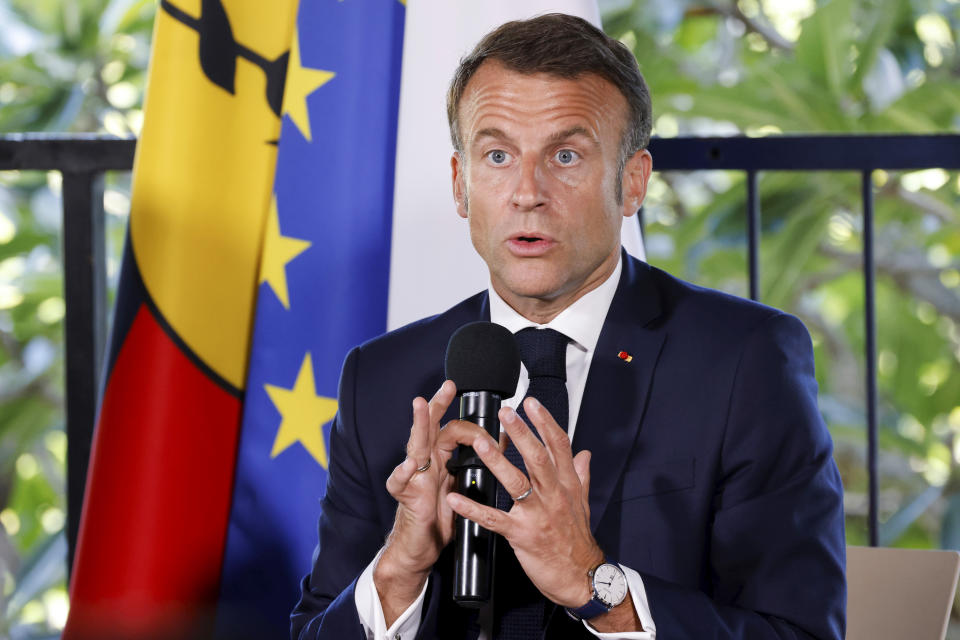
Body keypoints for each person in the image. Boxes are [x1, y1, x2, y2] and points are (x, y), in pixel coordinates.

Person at [291, 13, 845, 640]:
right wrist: (400, 569)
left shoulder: (744, 361)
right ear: (460, 185)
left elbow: (800, 632)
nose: (527, 191)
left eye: (566, 155)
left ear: (631, 181)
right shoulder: (383, 378)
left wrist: (596, 584)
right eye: (497, 155)